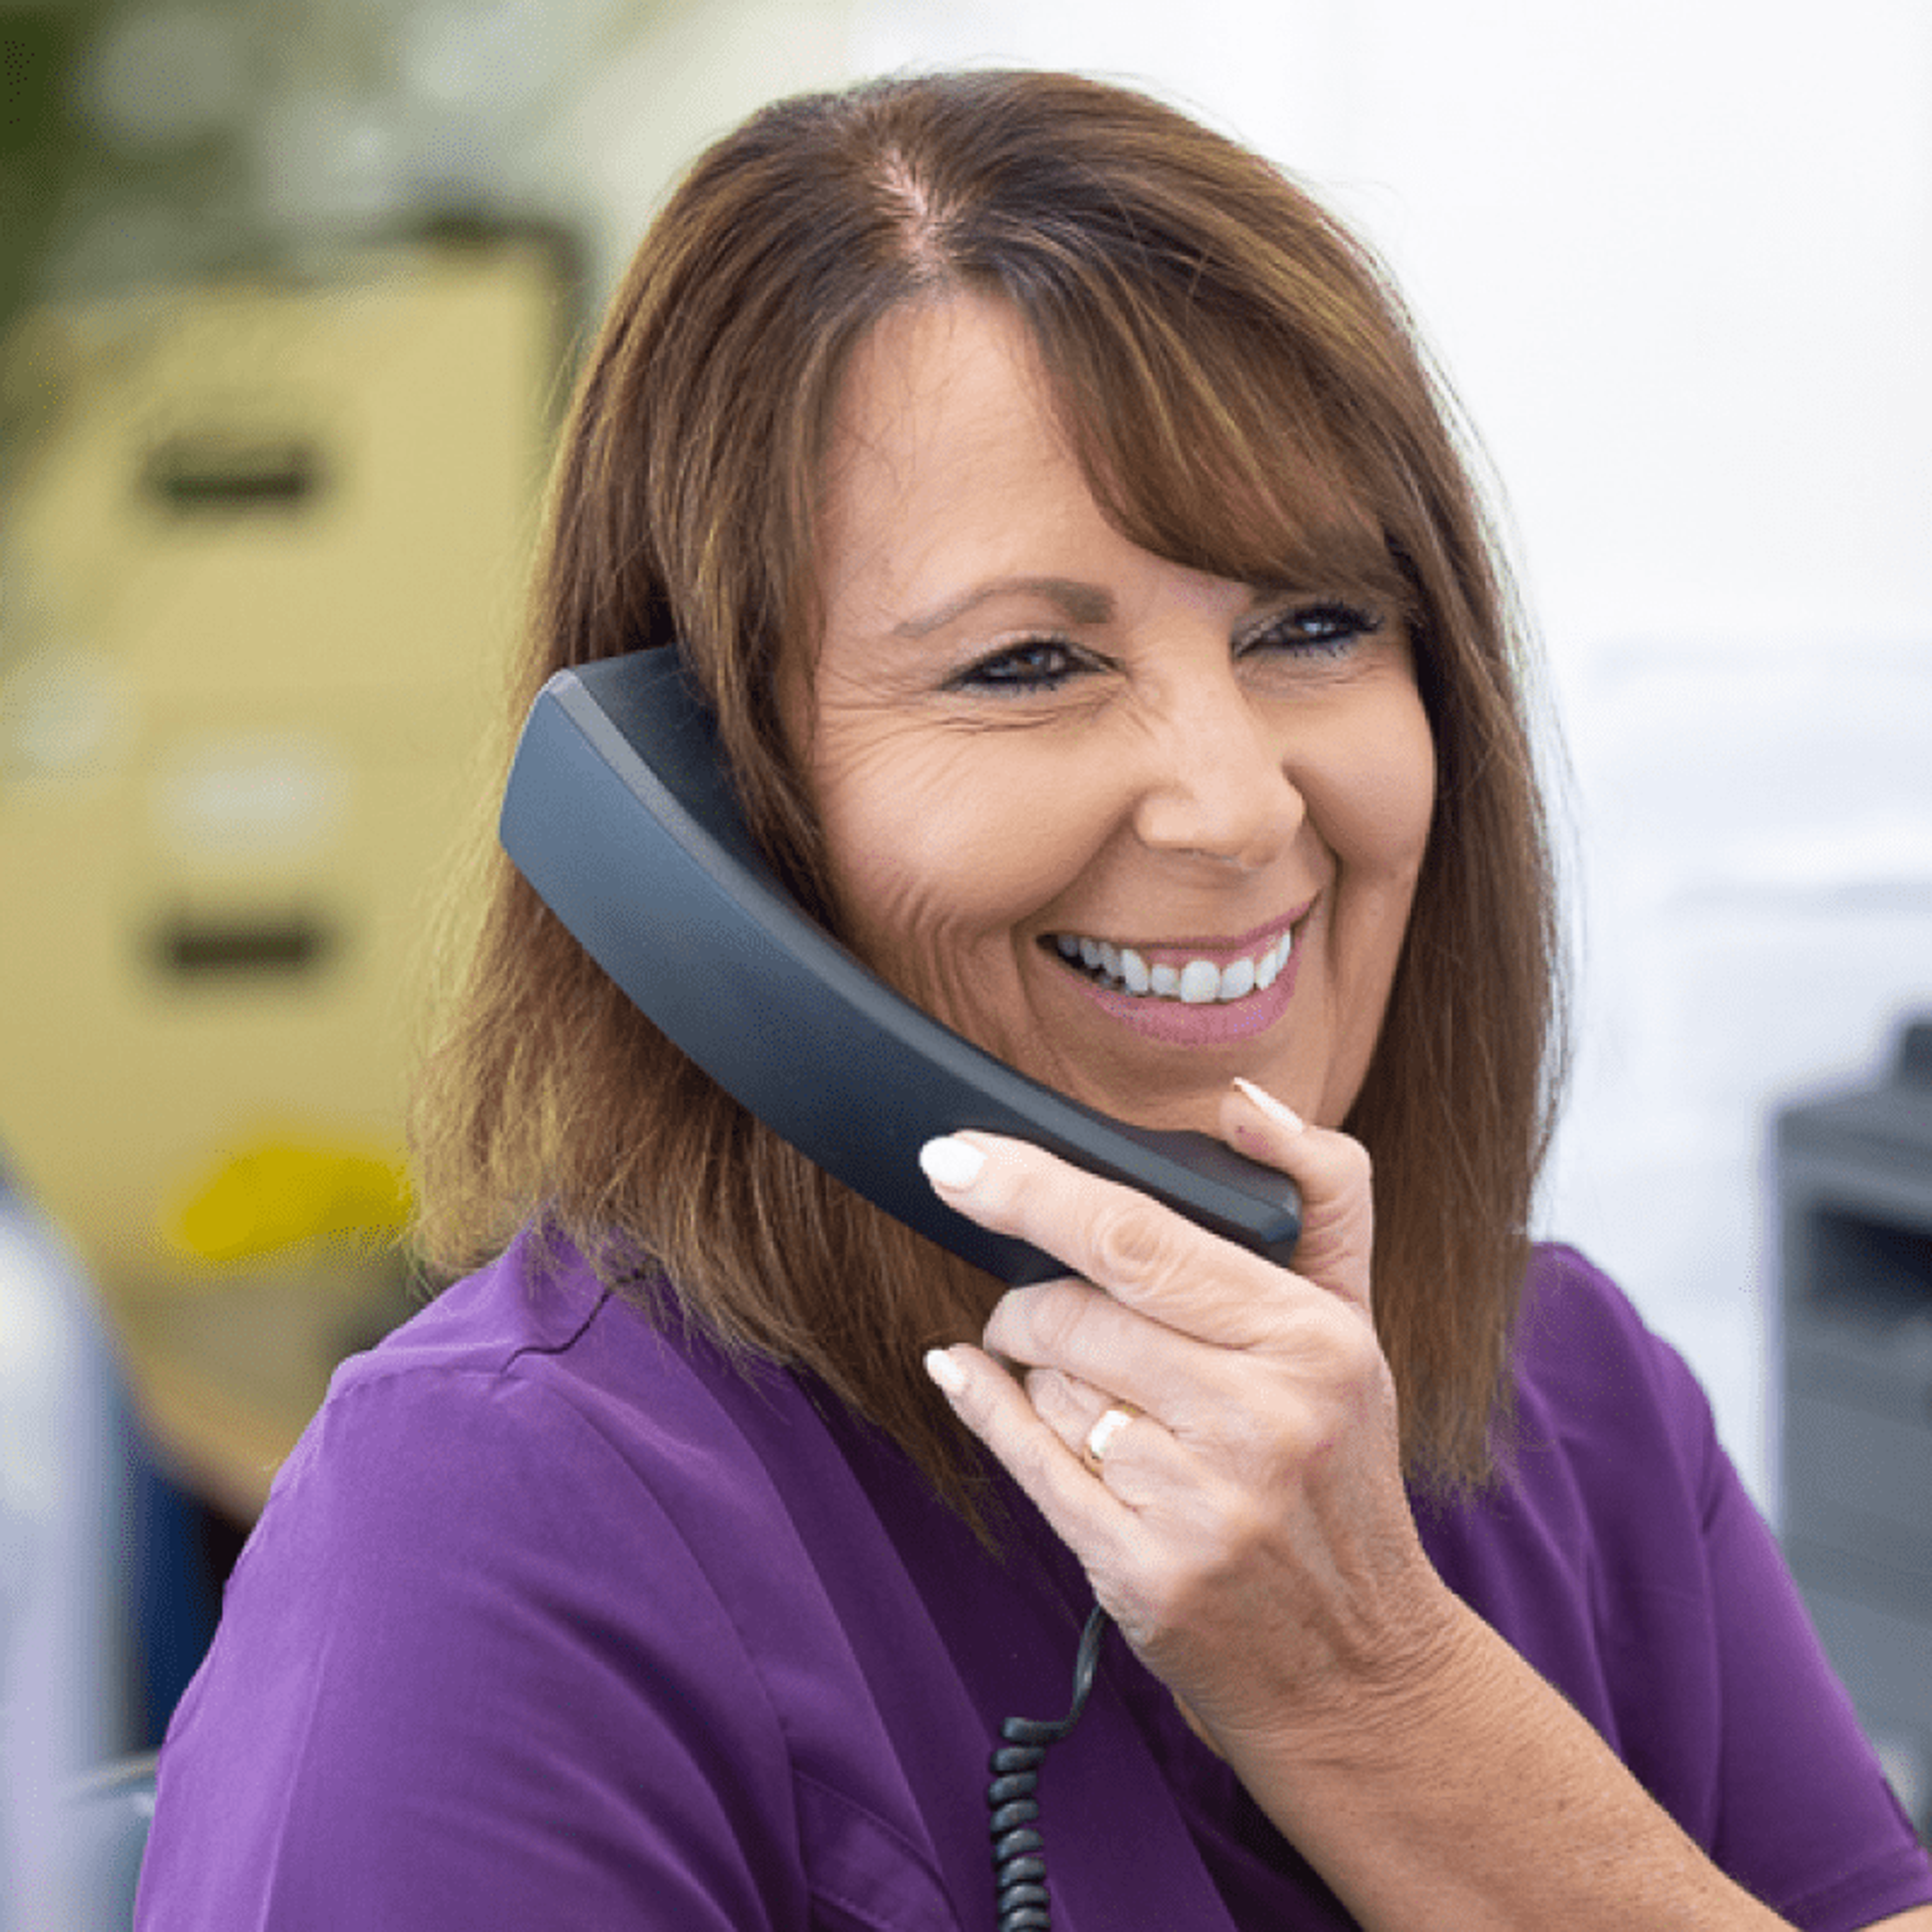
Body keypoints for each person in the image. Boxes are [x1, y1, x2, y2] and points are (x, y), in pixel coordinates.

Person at [134, 69, 1932, 1930]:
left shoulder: (1566, 1398)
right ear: (703, 808)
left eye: (1313, 625)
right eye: (1029, 664)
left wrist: (1383, 1695)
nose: (1239, 807)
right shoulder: (499, 1527)